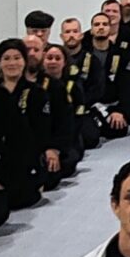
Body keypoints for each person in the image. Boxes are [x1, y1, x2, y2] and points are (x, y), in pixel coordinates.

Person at [0, 40, 55, 212]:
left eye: (17, 58)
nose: (12, 63)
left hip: (24, 158)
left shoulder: (37, 92)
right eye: (6, 58)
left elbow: (40, 134)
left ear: (24, 61)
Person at [78, 12, 130, 138]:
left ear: (110, 29)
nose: (101, 27)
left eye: (105, 24)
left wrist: (119, 111)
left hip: (111, 104)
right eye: (97, 25)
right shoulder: (82, 56)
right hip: (89, 104)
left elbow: (128, 87)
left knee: (119, 128)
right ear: (91, 30)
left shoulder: (121, 54)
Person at [37, 45, 91, 180]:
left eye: (57, 58)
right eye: (49, 58)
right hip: (44, 136)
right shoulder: (36, 85)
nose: (53, 62)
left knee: (67, 164)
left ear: (64, 62)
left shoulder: (72, 84)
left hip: (68, 135)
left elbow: (76, 117)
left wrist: (58, 147)